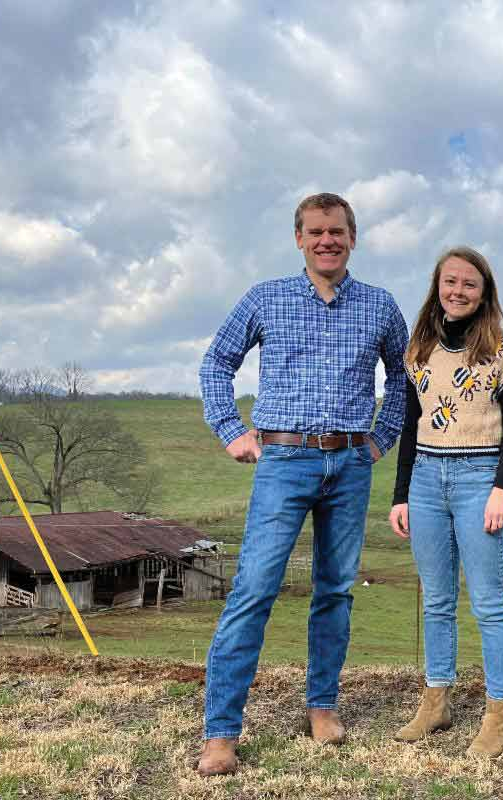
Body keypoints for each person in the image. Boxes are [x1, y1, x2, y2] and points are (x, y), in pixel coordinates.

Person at [196, 193, 409, 776]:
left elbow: (405, 379)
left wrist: (378, 439)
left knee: (335, 590)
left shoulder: (379, 306)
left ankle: (322, 706)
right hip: (283, 460)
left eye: (337, 231)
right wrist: (231, 429)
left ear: (352, 237)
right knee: (255, 589)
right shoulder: (266, 297)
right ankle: (221, 734)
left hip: (349, 464)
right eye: (315, 231)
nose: (326, 241)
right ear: (298, 238)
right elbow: (217, 363)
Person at [388, 245, 503, 758]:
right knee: (437, 599)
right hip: (425, 478)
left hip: (479, 479)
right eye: (451, 282)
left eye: (469, 284)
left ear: (484, 291)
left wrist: (500, 489)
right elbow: (409, 423)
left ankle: (498, 716)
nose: (459, 291)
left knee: (488, 603)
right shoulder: (418, 349)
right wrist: (401, 495)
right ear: (437, 287)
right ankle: (437, 700)